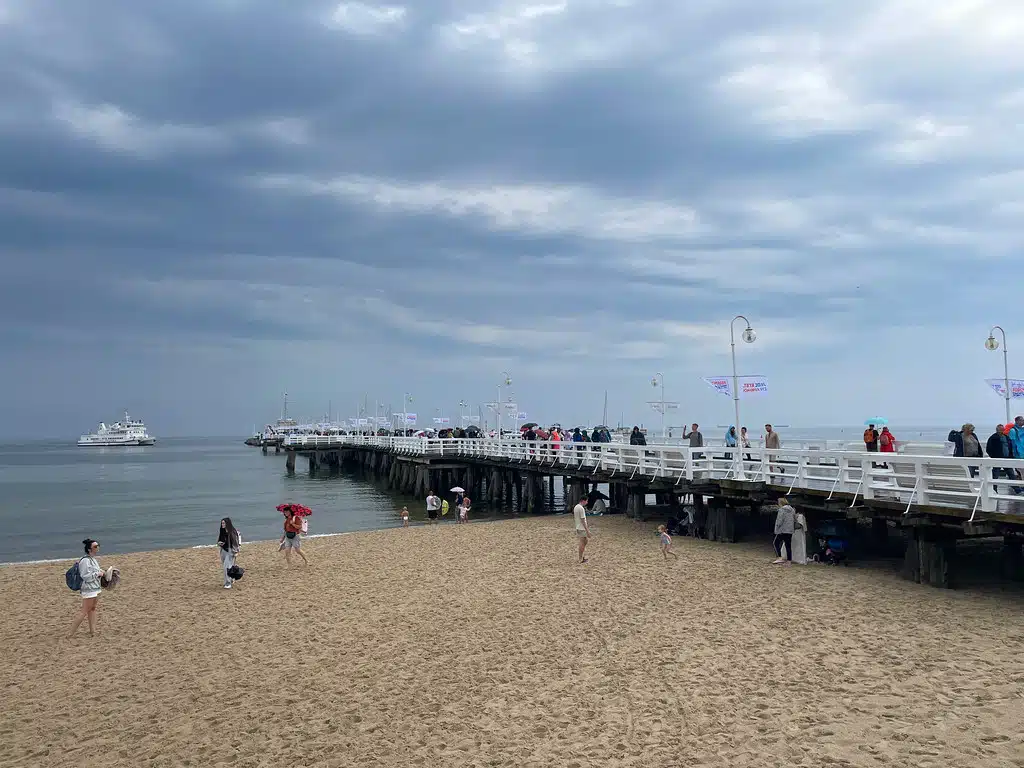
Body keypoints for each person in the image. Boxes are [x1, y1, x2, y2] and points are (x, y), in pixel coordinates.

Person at [69, 539, 103, 638]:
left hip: (95, 588)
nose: (98, 548)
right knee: (84, 611)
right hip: (88, 589)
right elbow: (85, 576)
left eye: (98, 545)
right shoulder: (85, 561)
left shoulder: (93, 559)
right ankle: (70, 633)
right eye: (95, 546)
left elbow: (94, 572)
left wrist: (101, 572)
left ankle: (93, 631)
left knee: (92, 609)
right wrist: (98, 574)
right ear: (89, 549)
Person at [217, 518, 241, 589]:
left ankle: (228, 583)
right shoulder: (222, 530)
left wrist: (236, 551)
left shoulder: (232, 532)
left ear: (227, 524)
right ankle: (232, 578)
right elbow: (219, 540)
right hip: (223, 550)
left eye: (224, 523)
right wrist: (219, 543)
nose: (222, 524)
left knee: (226, 567)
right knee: (229, 566)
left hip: (230, 551)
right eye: (222, 523)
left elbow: (235, 542)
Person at [772, 497, 795, 564]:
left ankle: (779, 557)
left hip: (782, 530)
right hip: (790, 530)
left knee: (775, 543)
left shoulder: (781, 510)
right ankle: (789, 560)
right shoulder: (792, 510)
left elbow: (779, 521)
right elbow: (794, 519)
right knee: (788, 545)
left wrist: (776, 528)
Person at [573, 494, 591, 563]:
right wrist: (587, 531)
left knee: (585, 541)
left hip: (578, 526)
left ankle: (582, 557)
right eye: (586, 501)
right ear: (583, 501)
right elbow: (583, 520)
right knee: (582, 542)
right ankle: (580, 558)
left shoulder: (576, 507)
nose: (587, 502)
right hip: (581, 527)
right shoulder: (581, 508)